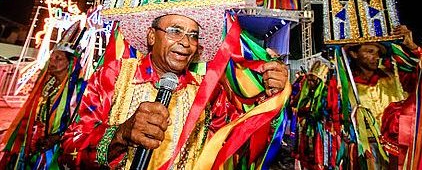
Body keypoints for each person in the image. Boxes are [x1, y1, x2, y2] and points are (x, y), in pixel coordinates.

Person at [60, 13, 289, 169]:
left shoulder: (209, 93)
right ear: (151, 36)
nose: (186, 43)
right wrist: (121, 135)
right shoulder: (113, 75)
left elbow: (238, 147)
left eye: (192, 35)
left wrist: (271, 102)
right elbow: (69, 152)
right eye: (175, 31)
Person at [0, 22, 86, 170]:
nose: (52, 62)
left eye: (58, 59)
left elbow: (85, 122)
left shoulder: (80, 88)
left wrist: (58, 137)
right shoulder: (46, 84)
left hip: (57, 150)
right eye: (51, 58)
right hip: (35, 144)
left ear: (71, 63)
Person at [343, 25, 422, 169]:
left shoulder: (395, 76)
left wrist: (412, 47)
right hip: (366, 157)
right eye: (369, 51)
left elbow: (421, 75)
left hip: (399, 155)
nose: (376, 56)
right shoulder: (343, 86)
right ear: (354, 54)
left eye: (378, 52)